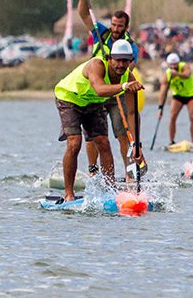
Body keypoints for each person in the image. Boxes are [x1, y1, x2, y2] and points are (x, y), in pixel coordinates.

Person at [53, 38, 144, 200]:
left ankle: (110, 191)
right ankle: (68, 194)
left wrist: (136, 144)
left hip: (93, 103)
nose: (121, 65)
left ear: (131, 61)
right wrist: (123, 87)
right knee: (75, 143)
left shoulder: (128, 78)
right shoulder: (97, 65)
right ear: (110, 59)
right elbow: (100, 89)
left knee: (103, 142)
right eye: (118, 60)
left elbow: (132, 113)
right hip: (69, 98)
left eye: (126, 61)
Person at [76, 0, 144, 174]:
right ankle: (92, 171)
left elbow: (128, 68)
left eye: (119, 26)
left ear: (126, 27)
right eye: (113, 25)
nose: (115, 29)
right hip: (95, 92)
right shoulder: (102, 34)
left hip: (116, 94)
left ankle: (129, 173)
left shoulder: (130, 47)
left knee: (123, 134)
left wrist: (116, 67)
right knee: (92, 137)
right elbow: (84, 15)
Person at [158, 52, 193, 145]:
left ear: (178, 62)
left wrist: (177, 74)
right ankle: (171, 141)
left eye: (175, 64)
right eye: (171, 65)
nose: (173, 66)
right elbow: (163, 92)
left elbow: (187, 75)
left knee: (192, 117)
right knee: (172, 116)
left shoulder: (184, 66)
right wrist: (160, 107)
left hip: (191, 94)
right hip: (178, 96)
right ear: (168, 64)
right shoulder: (167, 74)